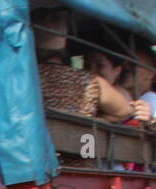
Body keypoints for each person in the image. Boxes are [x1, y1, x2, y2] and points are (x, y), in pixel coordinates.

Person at [33, 9, 134, 167]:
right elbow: (125, 111)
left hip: (41, 165)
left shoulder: (27, 79)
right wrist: (91, 120)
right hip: (82, 164)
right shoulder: (90, 80)